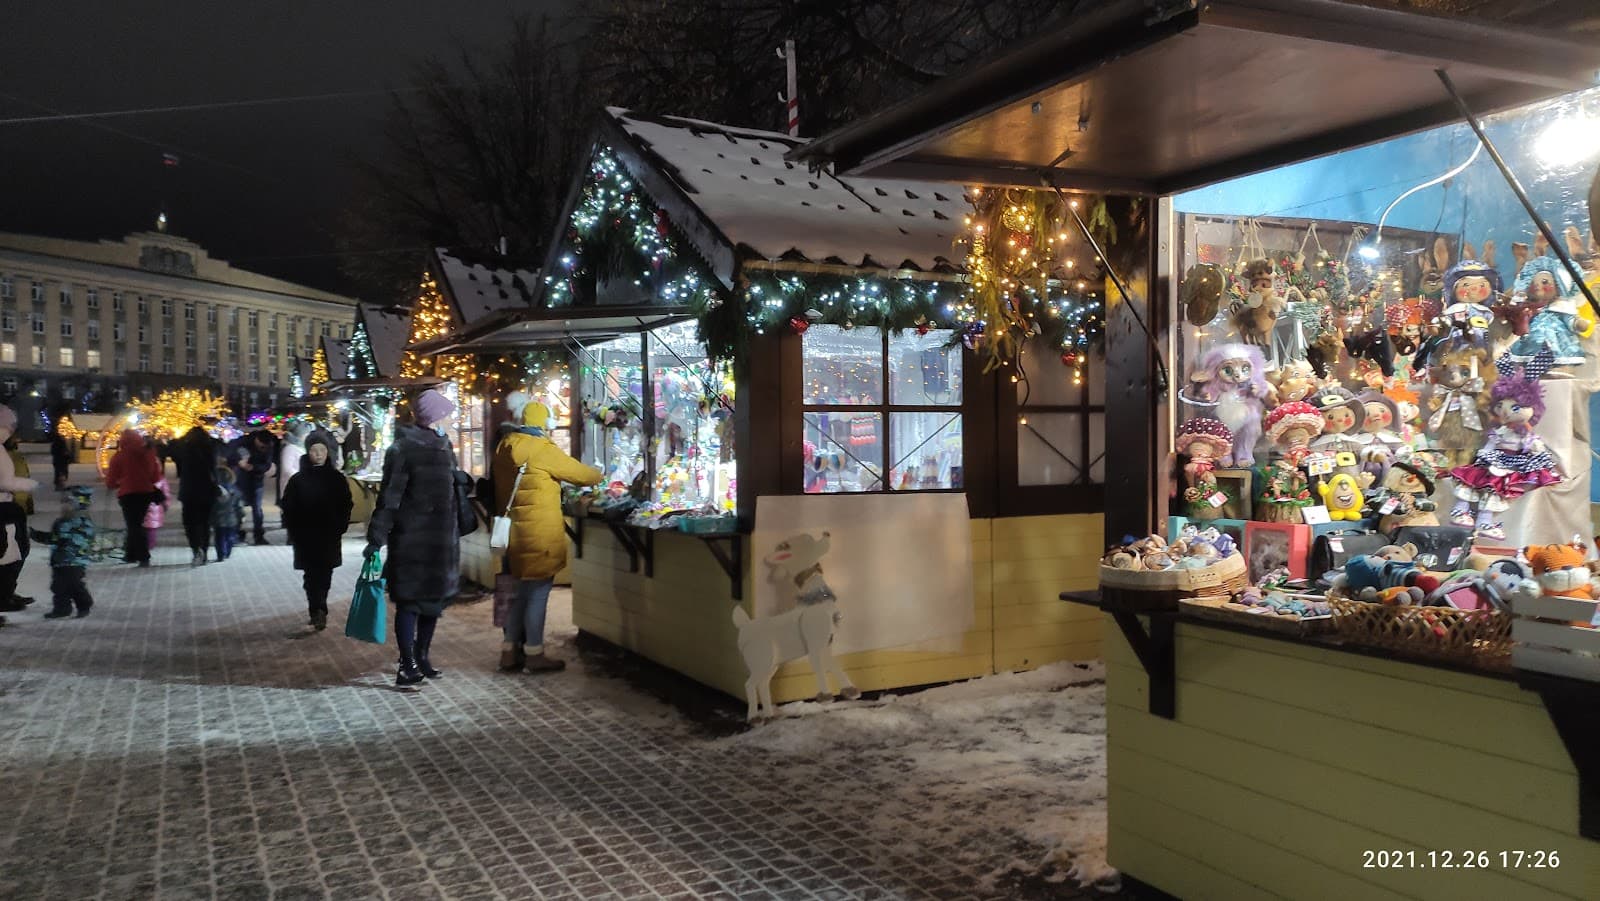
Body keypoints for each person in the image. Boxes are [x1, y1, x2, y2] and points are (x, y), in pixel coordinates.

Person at [493, 400, 601, 673]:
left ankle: (508, 652)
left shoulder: (505, 446)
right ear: (545, 423)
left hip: (515, 533)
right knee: (537, 594)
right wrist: (600, 473)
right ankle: (534, 653)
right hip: (539, 534)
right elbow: (582, 475)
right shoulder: (541, 449)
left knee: (519, 594)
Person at [366, 388, 462, 687]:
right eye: (447, 415)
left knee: (433, 601)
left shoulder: (445, 447)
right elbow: (390, 496)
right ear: (435, 417)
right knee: (409, 602)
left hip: (441, 539)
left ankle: (422, 656)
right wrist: (377, 537)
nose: (451, 420)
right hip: (411, 538)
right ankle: (406, 663)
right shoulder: (403, 449)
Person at [280, 432, 353, 632]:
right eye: (314, 450)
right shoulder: (298, 479)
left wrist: (341, 525)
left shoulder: (336, 478)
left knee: (325, 573)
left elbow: (346, 504)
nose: (319, 454)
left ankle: (320, 607)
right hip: (306, 536)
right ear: (308, 452)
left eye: (322, 450)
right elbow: (288, 506)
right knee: (311, 575)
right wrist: (294, 530)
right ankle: (316, 609)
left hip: (329, 534)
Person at [32, 486, 95, 619]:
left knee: (73, 585)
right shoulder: (66, 521)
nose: (63, 506)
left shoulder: (77, 522)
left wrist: (36, 535)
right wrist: (36, 535)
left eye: (67, 503)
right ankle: (62, 608)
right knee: (59, 586)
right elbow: (56, 538)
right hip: (61, 560)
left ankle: (84, 604)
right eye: (63, 503)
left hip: (73, 561)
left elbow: (58, 539)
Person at [0, 407, 39, 609]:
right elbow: (6, 481)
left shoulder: (6, 451)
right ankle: (4, 596)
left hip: (10, 506)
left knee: (14, 552)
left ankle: (6, 592)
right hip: (5, 509)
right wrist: (29, 485)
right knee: (11, 552)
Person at [105, 429, 162, 567]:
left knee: (134, 525)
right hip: (146, 493)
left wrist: (116, 484)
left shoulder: (119, 456)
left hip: (128, 494)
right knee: (135, 524)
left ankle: (143, 556)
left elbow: (111, 480)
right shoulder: (148, 454)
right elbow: (156, 477)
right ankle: (130, 554)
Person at [171, 426, 220, 565]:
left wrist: (184, 438)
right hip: (207, 490)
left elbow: (172, 446)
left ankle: (195, 549)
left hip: (189, 491)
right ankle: (204, 550)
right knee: (205, 523)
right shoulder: (211, 447)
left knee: (190, 523)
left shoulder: (184, 448)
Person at [228, 429, 276, 545]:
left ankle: (258, 536)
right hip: (239, 481)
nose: (263, 449)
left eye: (265, 447)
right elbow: (230, 453)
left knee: (257, 510)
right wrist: (239, 462)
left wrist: (253, 468)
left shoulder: (269, 446)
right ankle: (237, 534)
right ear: (257, 440)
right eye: (261, 446)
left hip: (256, 481)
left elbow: (266, 465)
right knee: (237, 508)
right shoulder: (242, 442)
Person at [211, 466, 246, 562]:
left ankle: (221, 554)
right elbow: (239, 506)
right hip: (232, 519)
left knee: (219, 537)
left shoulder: (214, 491)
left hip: (218, 519)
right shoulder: (236, 491)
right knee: (230, 536)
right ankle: (228, 551)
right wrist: (242, 516)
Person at [144, 474, 171, 554]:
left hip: (141, 506)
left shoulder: (139, 476)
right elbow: (166, 494)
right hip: (155, 508)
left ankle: (142, 547)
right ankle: (149, 547)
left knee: (140, 527)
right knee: (151, 529)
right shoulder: (160, 479)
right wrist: (166, 506)